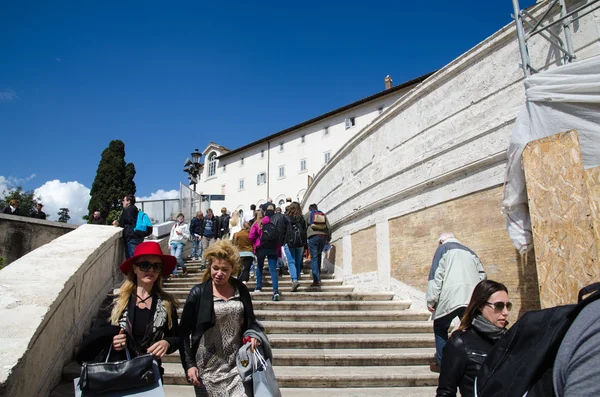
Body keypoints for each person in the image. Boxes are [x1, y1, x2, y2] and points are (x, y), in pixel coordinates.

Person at [76, 242, 180, 378]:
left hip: (147, 374)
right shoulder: (115, 299)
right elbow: (94, 334)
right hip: (115, 372)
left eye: (157, 266)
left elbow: (177, 337)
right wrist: (111, 340)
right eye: (145, 265)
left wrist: (167, 343)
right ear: (135, 268)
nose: (151, 270)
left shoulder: (166, 303)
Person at [179, 240, 262, 397]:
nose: (219, 273)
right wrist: (189, 365)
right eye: (215, 268)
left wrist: (253, 336)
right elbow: (183, 332)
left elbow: (251, 321)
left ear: (233, 269)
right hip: (207, 370)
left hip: (238, 366)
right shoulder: (198, 293)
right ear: (210, 266)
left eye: (224, 269)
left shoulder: (241, 290)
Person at [436, 280, 510, 397]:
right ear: (480, 306)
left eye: (508, 306)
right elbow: (445, 392)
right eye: (499, 306)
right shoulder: (460, 342)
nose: (505, 312)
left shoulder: (510, 340)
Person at [426, 232, 487, 373]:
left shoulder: (442, 250)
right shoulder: (469, 251)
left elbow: (436, 276)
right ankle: (476, 363)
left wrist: (432, 300)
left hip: (451, 296)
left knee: (440, 327)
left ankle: (444, 365)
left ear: (441, 241)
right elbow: (482, 275)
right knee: (471, 330)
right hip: (472, 298)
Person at [249, 209, 281, 301]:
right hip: (273, 249)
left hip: (261, 248)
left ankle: (258, 286)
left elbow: (251, 236)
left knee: (259, 266)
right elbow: (277, 240)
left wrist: (256, 243)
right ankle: (275, 291)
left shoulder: (257, 225)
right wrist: (278, 253)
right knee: (273, 270)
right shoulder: (272, 225)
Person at [304, 203, 331, 287]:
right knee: (318, 255)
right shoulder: (322, 214)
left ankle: (316, 280)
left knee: (314, 257)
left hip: (313, 237)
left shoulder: (308, 214)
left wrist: (304, 239)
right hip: (323, 237)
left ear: (309, 209)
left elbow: (303, 227)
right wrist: (328, 238)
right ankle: (318, 276)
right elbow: (329, 227)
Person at [283, 202, 307, 292]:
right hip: (300, 243)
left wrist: (282, 242)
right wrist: (305, 243)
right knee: (297, 262)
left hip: (289, 242)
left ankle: (294, 280)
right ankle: (296, 279)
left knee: (291, 262)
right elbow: (304, 231)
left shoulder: (286, 218)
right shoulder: (302, 219)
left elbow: (283, 231)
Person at [113, 194, 143, 259]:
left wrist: (116, 223)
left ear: (128, 201)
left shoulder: (127, 210)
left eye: (124, 200)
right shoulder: (135, 210)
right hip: (138, 237)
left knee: (132, 260)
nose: (122, 202)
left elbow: (121, 223)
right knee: (137, 258)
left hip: (131, 237)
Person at [169, 213, 190, 277]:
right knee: (173, 258)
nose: (180, 219)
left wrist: (181, 233)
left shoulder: (185, 225)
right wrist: (169, 243)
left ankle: (184, 267)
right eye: (179, 218)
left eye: (182, 218)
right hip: (173, 242)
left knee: (177, 257)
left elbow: (187, 235)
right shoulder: (175, 225)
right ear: (177, 218)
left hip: (180, 243)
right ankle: (175, 273)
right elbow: (171, 235)